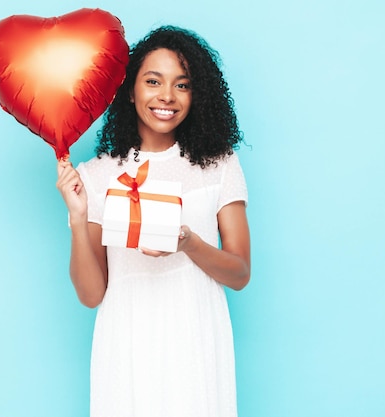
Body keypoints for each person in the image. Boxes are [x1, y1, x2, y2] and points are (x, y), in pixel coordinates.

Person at [56, 25, 250, 417]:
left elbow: (240, 273)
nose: (166, 96)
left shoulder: (218, 165)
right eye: (153, 81)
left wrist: (189, 243)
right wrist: (78, 219)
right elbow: (92, 294)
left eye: (182, 85)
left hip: (196, 343)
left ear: (197, 95)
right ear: (130, 90)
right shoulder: (97, 175)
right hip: (126, 346)